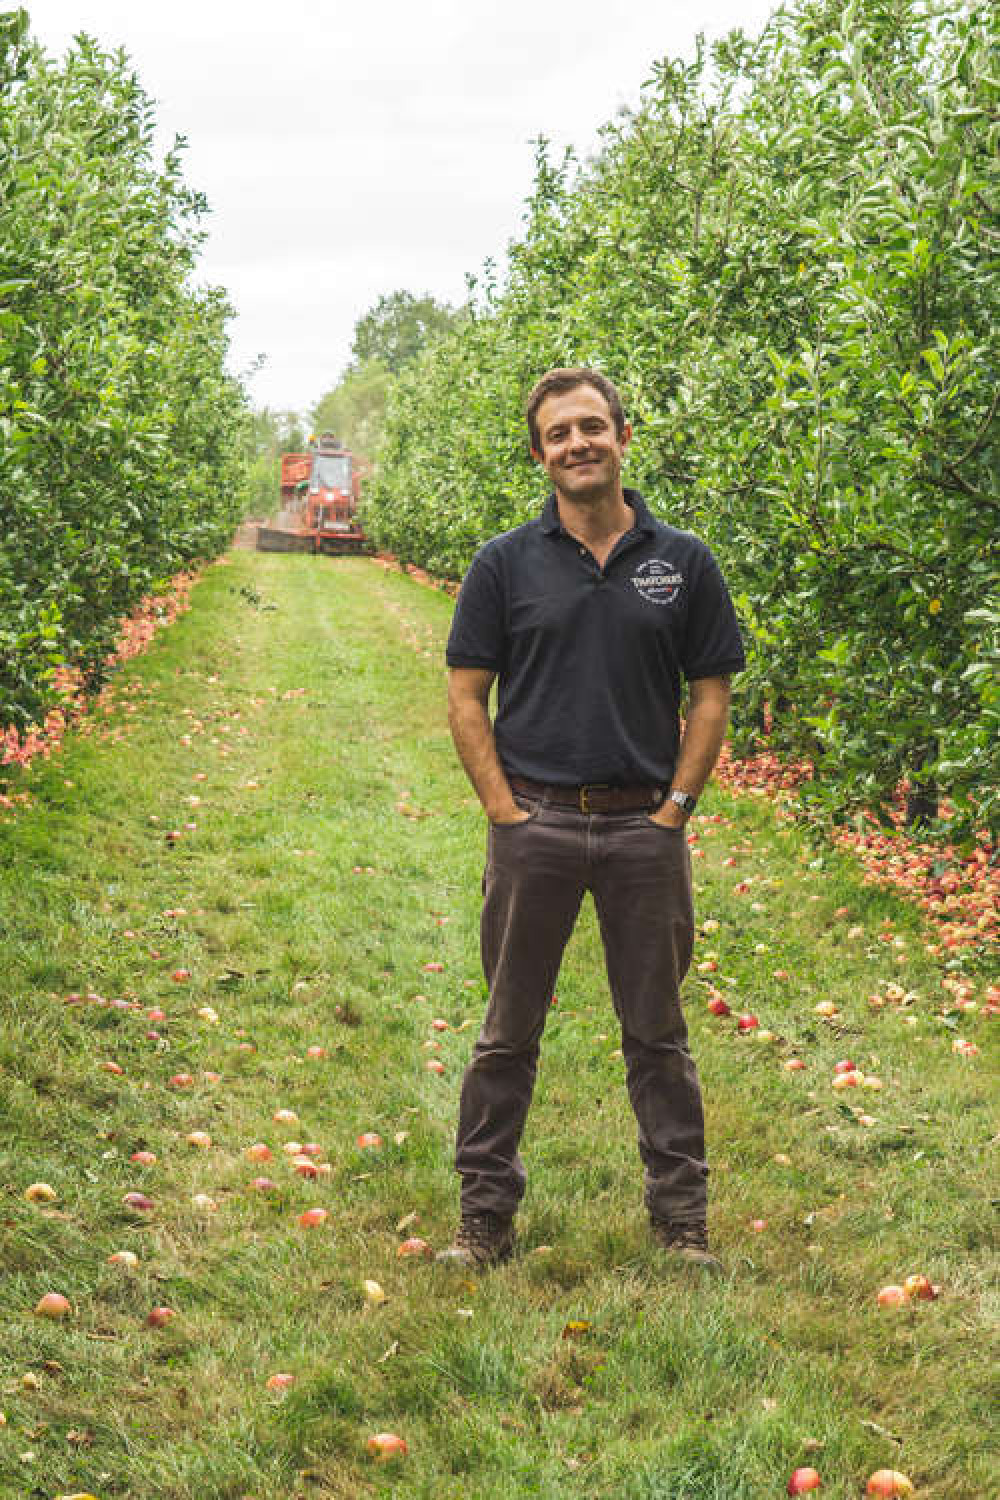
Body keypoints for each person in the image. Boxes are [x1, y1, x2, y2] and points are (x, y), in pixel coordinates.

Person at [439, 367, 745, 1271]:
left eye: (592, 427)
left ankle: (680, 1224)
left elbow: (711, 695)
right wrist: (503, 811)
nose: (578, 444)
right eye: (559, 434)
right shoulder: (504, 564)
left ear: (621, 436)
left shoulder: (682, 562)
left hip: (640, 833)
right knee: (507, 1030)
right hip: (533, 821)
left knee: (658, 1033)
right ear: (540, 455)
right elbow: (466, 697)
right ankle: (484, 1218)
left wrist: (674, 812)